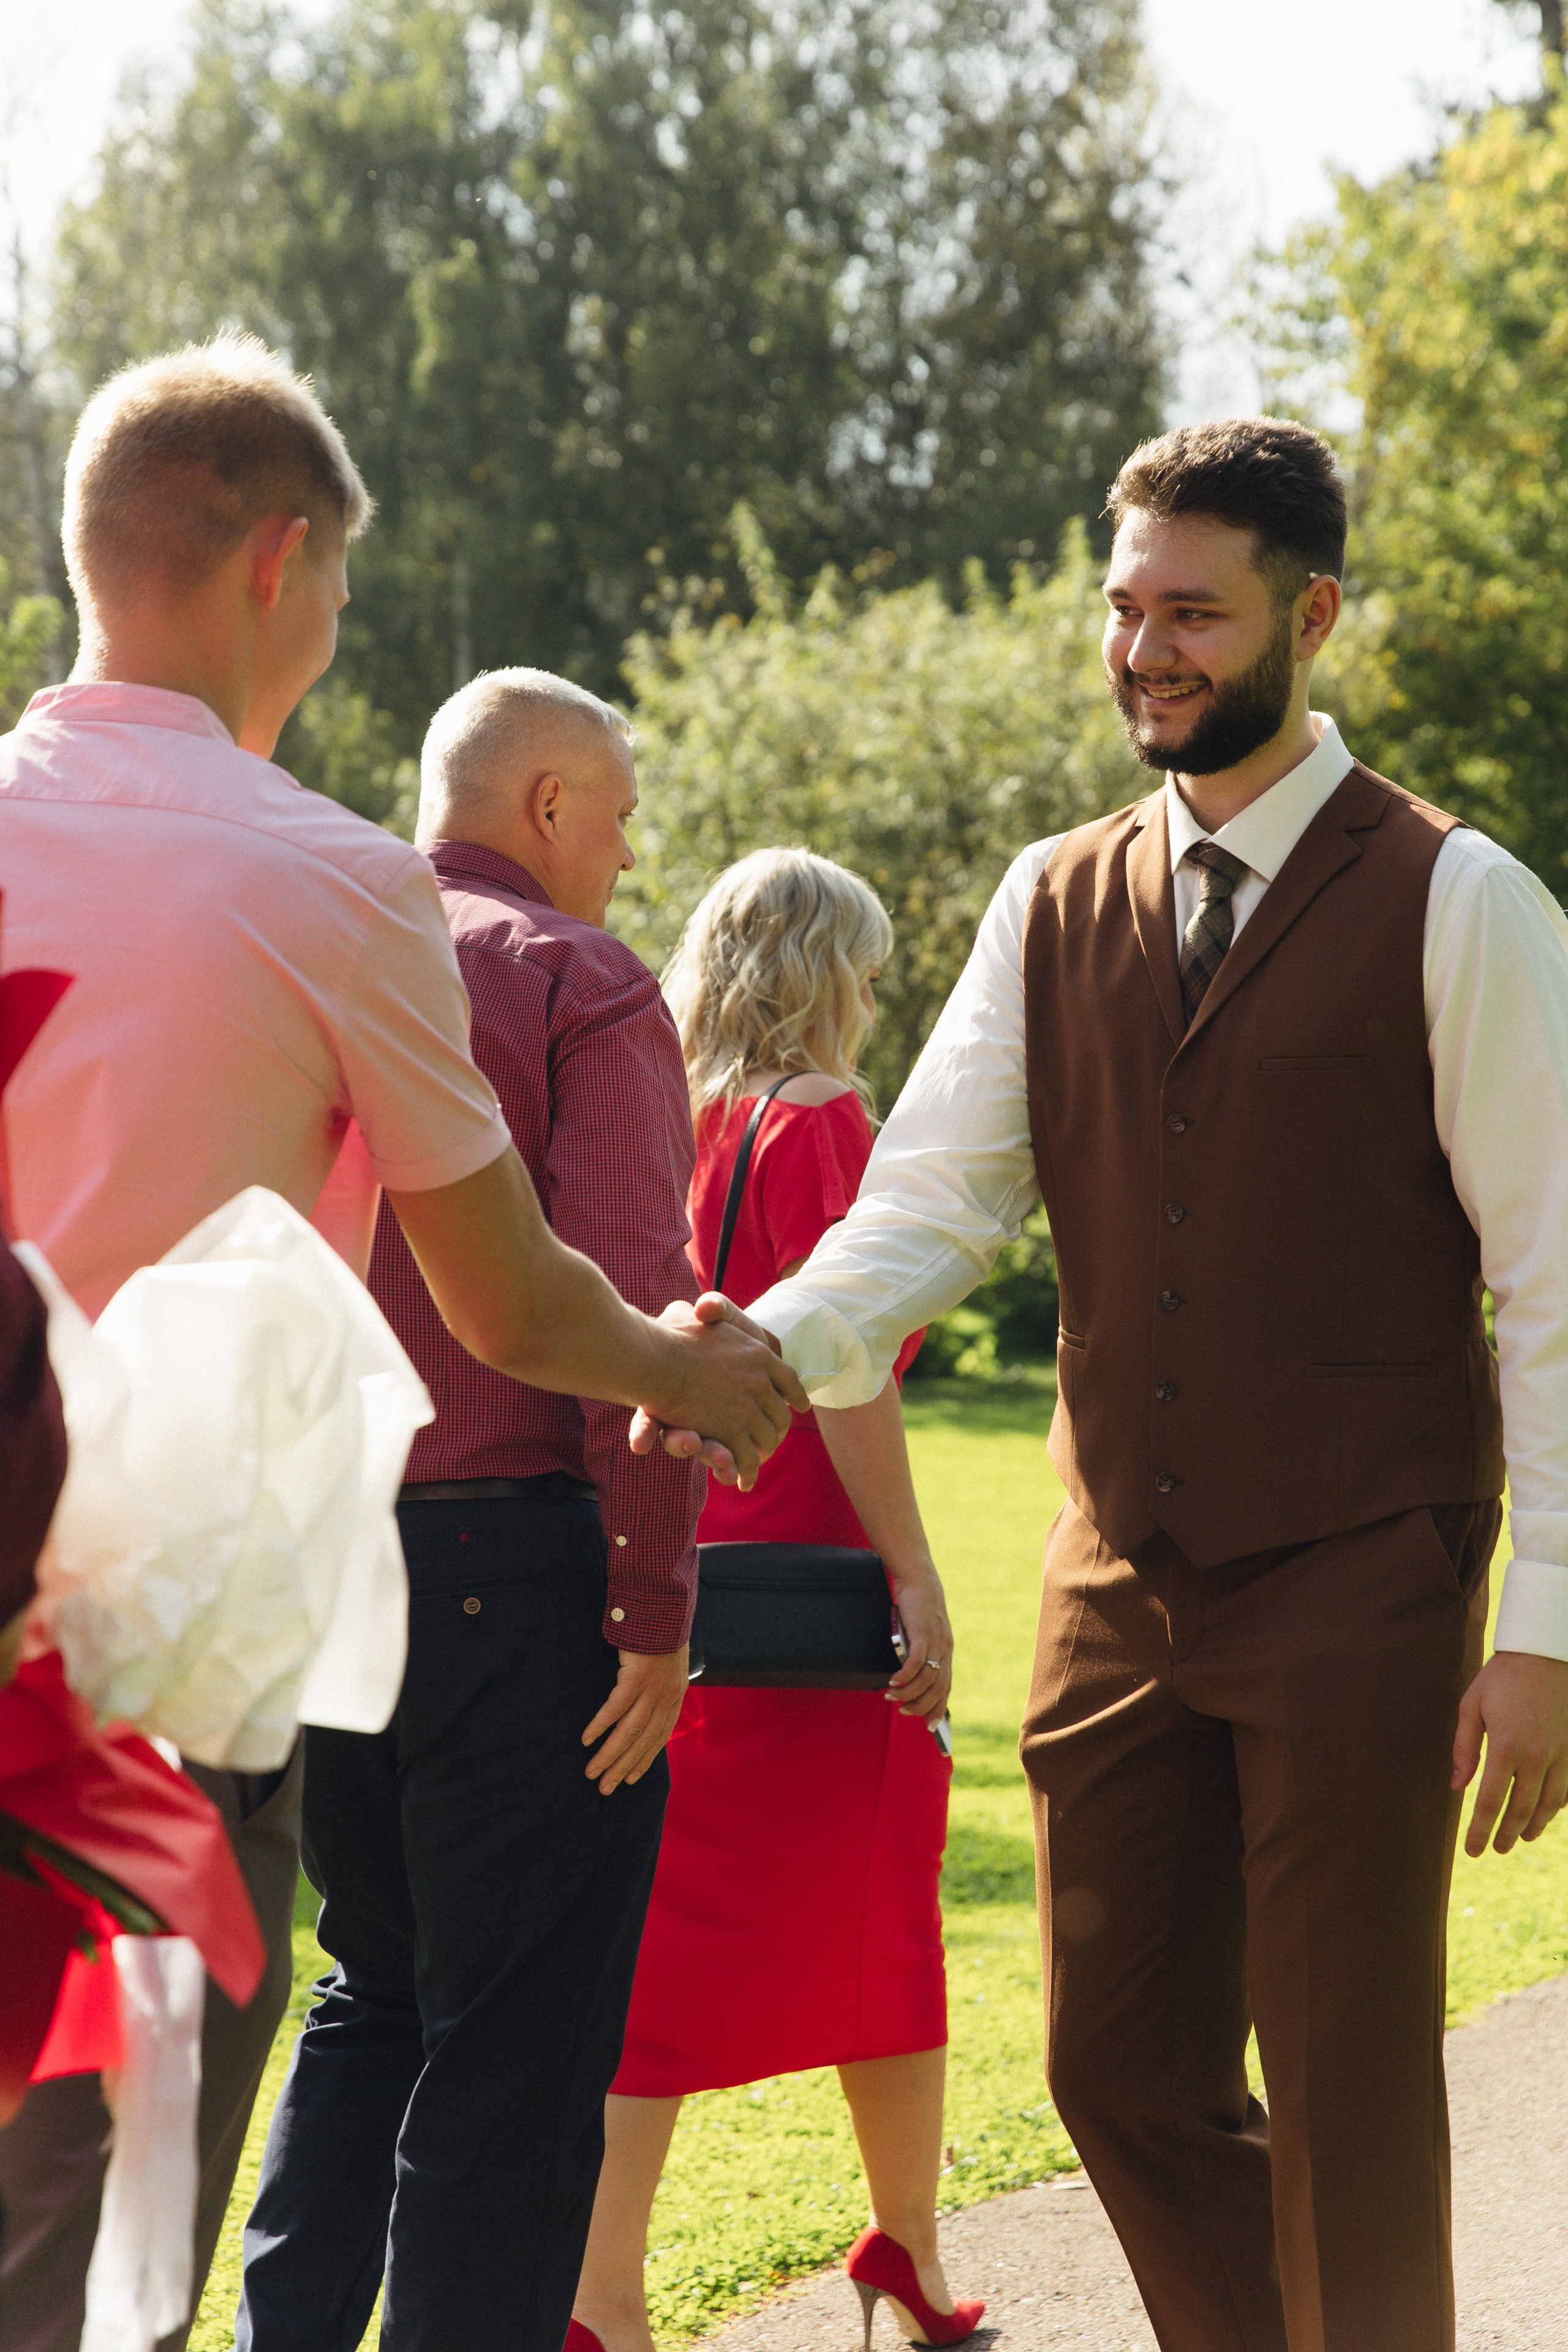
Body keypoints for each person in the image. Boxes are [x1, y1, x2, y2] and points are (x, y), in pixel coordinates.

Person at [663, 421, 1568, 2351]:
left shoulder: (1461, 898)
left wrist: (1548, 1631)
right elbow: (928, 1200)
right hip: (1117, 1587)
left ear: (1309, 616)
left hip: (1363, 1578)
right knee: (1116, 2073)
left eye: (1194, 613)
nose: (1145, 650)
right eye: (1124, 608)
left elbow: (1556, 1282)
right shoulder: (1049, 898)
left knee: (1350, 2103)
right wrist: (769, 1346)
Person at [0, 337, 801, 2352]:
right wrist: (694, 1376)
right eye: (342, 592)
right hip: (142, 1673)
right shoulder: (327, 879)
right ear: (281, 560)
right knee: (89, 2258)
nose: (336, 635)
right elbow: (509, 1291)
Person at [235, 669, 707, 2351]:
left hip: (321, 1557)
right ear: (553, 807)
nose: (630, 855)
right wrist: (657, 1604)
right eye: (624, 815)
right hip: (520, 1562)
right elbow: (635, 1298)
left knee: (368, 1990)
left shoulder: (308, 946)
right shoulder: (579, 979)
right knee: (510, 2060)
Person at [572, 848, 984, 2352]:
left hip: (686, 1577)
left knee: (661, 1945)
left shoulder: (656, 1116)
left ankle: (603, 2302)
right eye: (867, 971)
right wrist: (919, 1572)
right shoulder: (820, 1125)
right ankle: (908, 2255)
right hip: (817, 1585)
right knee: (885, 1930)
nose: (876, 1000)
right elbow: (847, 1358)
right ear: (824, 977)